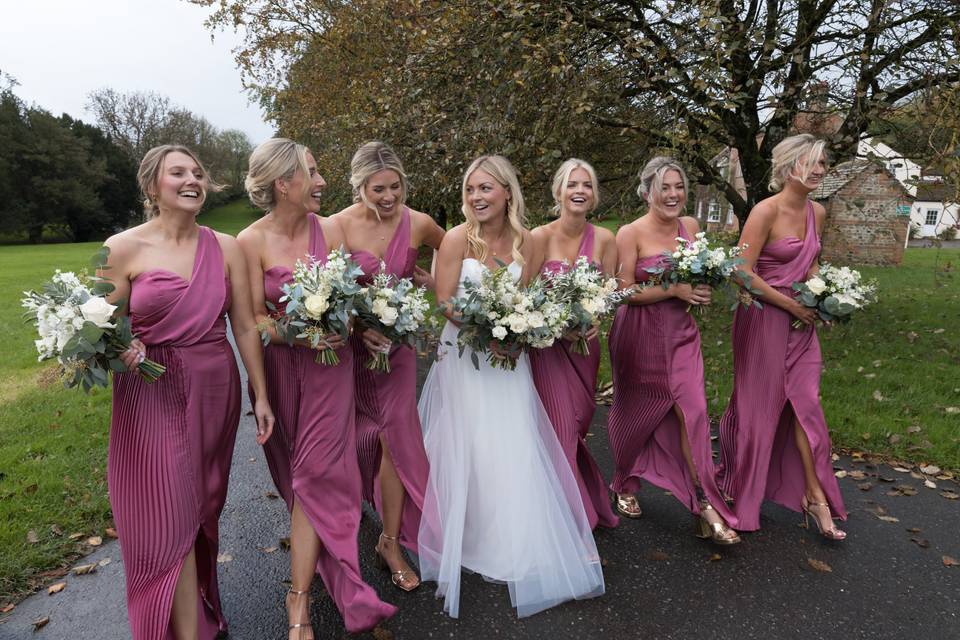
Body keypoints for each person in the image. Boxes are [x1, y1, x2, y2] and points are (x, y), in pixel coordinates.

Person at [417, 155, 605, 619]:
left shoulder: (528, 240)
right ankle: (470, 534)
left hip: (512, 359)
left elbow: (532, 300)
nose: (477, 198)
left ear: (506, 192)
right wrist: (489, 331)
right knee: (473, 440)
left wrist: (518, 335)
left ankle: (514, 538)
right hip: (465, 354)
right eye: (470, 190)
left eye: (485, 189)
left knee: (515, 439)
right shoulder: (458, 238)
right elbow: (444, 302)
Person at [103, 145, 275, 639]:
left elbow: (244, 325)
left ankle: (195, 610)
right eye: (177, 172)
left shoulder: (226, 246)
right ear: (152, 186)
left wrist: (259, 394)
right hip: (150, 392)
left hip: (214, 388)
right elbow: (99, 332)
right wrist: (122, 347)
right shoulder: (122, 248)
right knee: (169, 511)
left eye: (197, 173)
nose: (191, 179)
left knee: (203, 504)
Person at [238, 138, 397, 638]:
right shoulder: (249, 242)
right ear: (283, 183)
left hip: (332, 374)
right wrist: (262, 394)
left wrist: (360, 326)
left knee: (314, 476)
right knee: (305, 477)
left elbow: (346, 299)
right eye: (312, 172)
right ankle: (320, 574)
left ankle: (300, 598)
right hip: (285, 374)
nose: (322, 181)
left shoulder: (327, 230)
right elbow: (252, 322)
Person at [717, 134, 847, 539]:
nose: (820, 170)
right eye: (813, 162)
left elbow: (809, 267)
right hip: (762, 322)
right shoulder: (765, 211)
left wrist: (822, 300)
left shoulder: (818, 213)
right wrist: (790, 305)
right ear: (790, 166)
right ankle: (745, 494)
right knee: (760, 412)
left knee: (806, 407)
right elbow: (741, 271)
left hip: (802, 324)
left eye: (824, 163)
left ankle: (815, 496)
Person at [607, 157, 740, 544]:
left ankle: (705, 504)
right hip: (638, 335)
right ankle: (624, 481)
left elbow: (698, 274)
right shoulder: (629, 233)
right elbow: (622, 291)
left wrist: (702, 289)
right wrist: (673, 290)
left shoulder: (692, 227)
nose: (672, 194)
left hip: (681, 335)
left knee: (694, 412)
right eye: (664, 187)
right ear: (647, 191)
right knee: (635, 414)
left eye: (678, 186)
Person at [332, 141, 445, 592]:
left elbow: (456, 247)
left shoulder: (419, 222)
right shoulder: (335, 226)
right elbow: (326, 292)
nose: (388, 197)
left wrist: (436, 284)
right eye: (377, 188)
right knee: (360, 439)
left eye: (395, 186)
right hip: (352, 354)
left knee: (394, 437)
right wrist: (358, 328)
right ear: (359, 185)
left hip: (396, 353)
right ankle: (358, 505)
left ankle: (391, 541)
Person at [529, 158, 619, 530]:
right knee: (560, 427)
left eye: (586, 185)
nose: (579, 191)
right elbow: (526, 293)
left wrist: (597, 318)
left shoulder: (606, 239)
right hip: (548, 349)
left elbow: (610, 290)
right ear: (559, 192)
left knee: (580, 423)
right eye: (572, 184)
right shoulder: (539, 237)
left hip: (586, 347)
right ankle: (571, 520)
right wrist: (553, 324)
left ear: (593, 194)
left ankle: (563, 493)